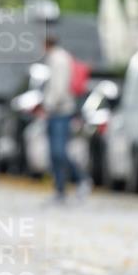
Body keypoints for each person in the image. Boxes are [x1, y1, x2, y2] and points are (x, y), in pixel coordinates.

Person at [43, 32, 91, 204]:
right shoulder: (56, 58)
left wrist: (47, 105)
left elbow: (59, 88)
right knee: (55, 153)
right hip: (57, 111)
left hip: (60, 111)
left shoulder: (59, 60)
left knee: (59, 151)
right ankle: (60, 189)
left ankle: (80, 179)